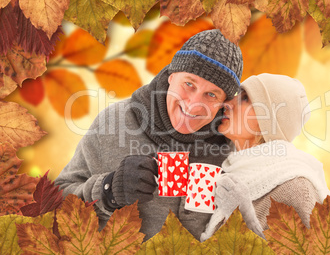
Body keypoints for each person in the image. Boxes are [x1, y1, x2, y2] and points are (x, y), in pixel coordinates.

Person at [55, 29, 243, 241]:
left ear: (223, 103)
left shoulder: (232, 146)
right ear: (171, 76)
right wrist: (108, 190)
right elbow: (54, 206)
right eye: (188, 84)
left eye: (211, 94)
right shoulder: (113, 123)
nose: (193, 104)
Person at [200, 73, 330, 241]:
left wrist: (244, 218)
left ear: (269, 120)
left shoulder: (295, 189)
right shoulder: (222, 173)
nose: (228, 103)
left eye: (245, 98)